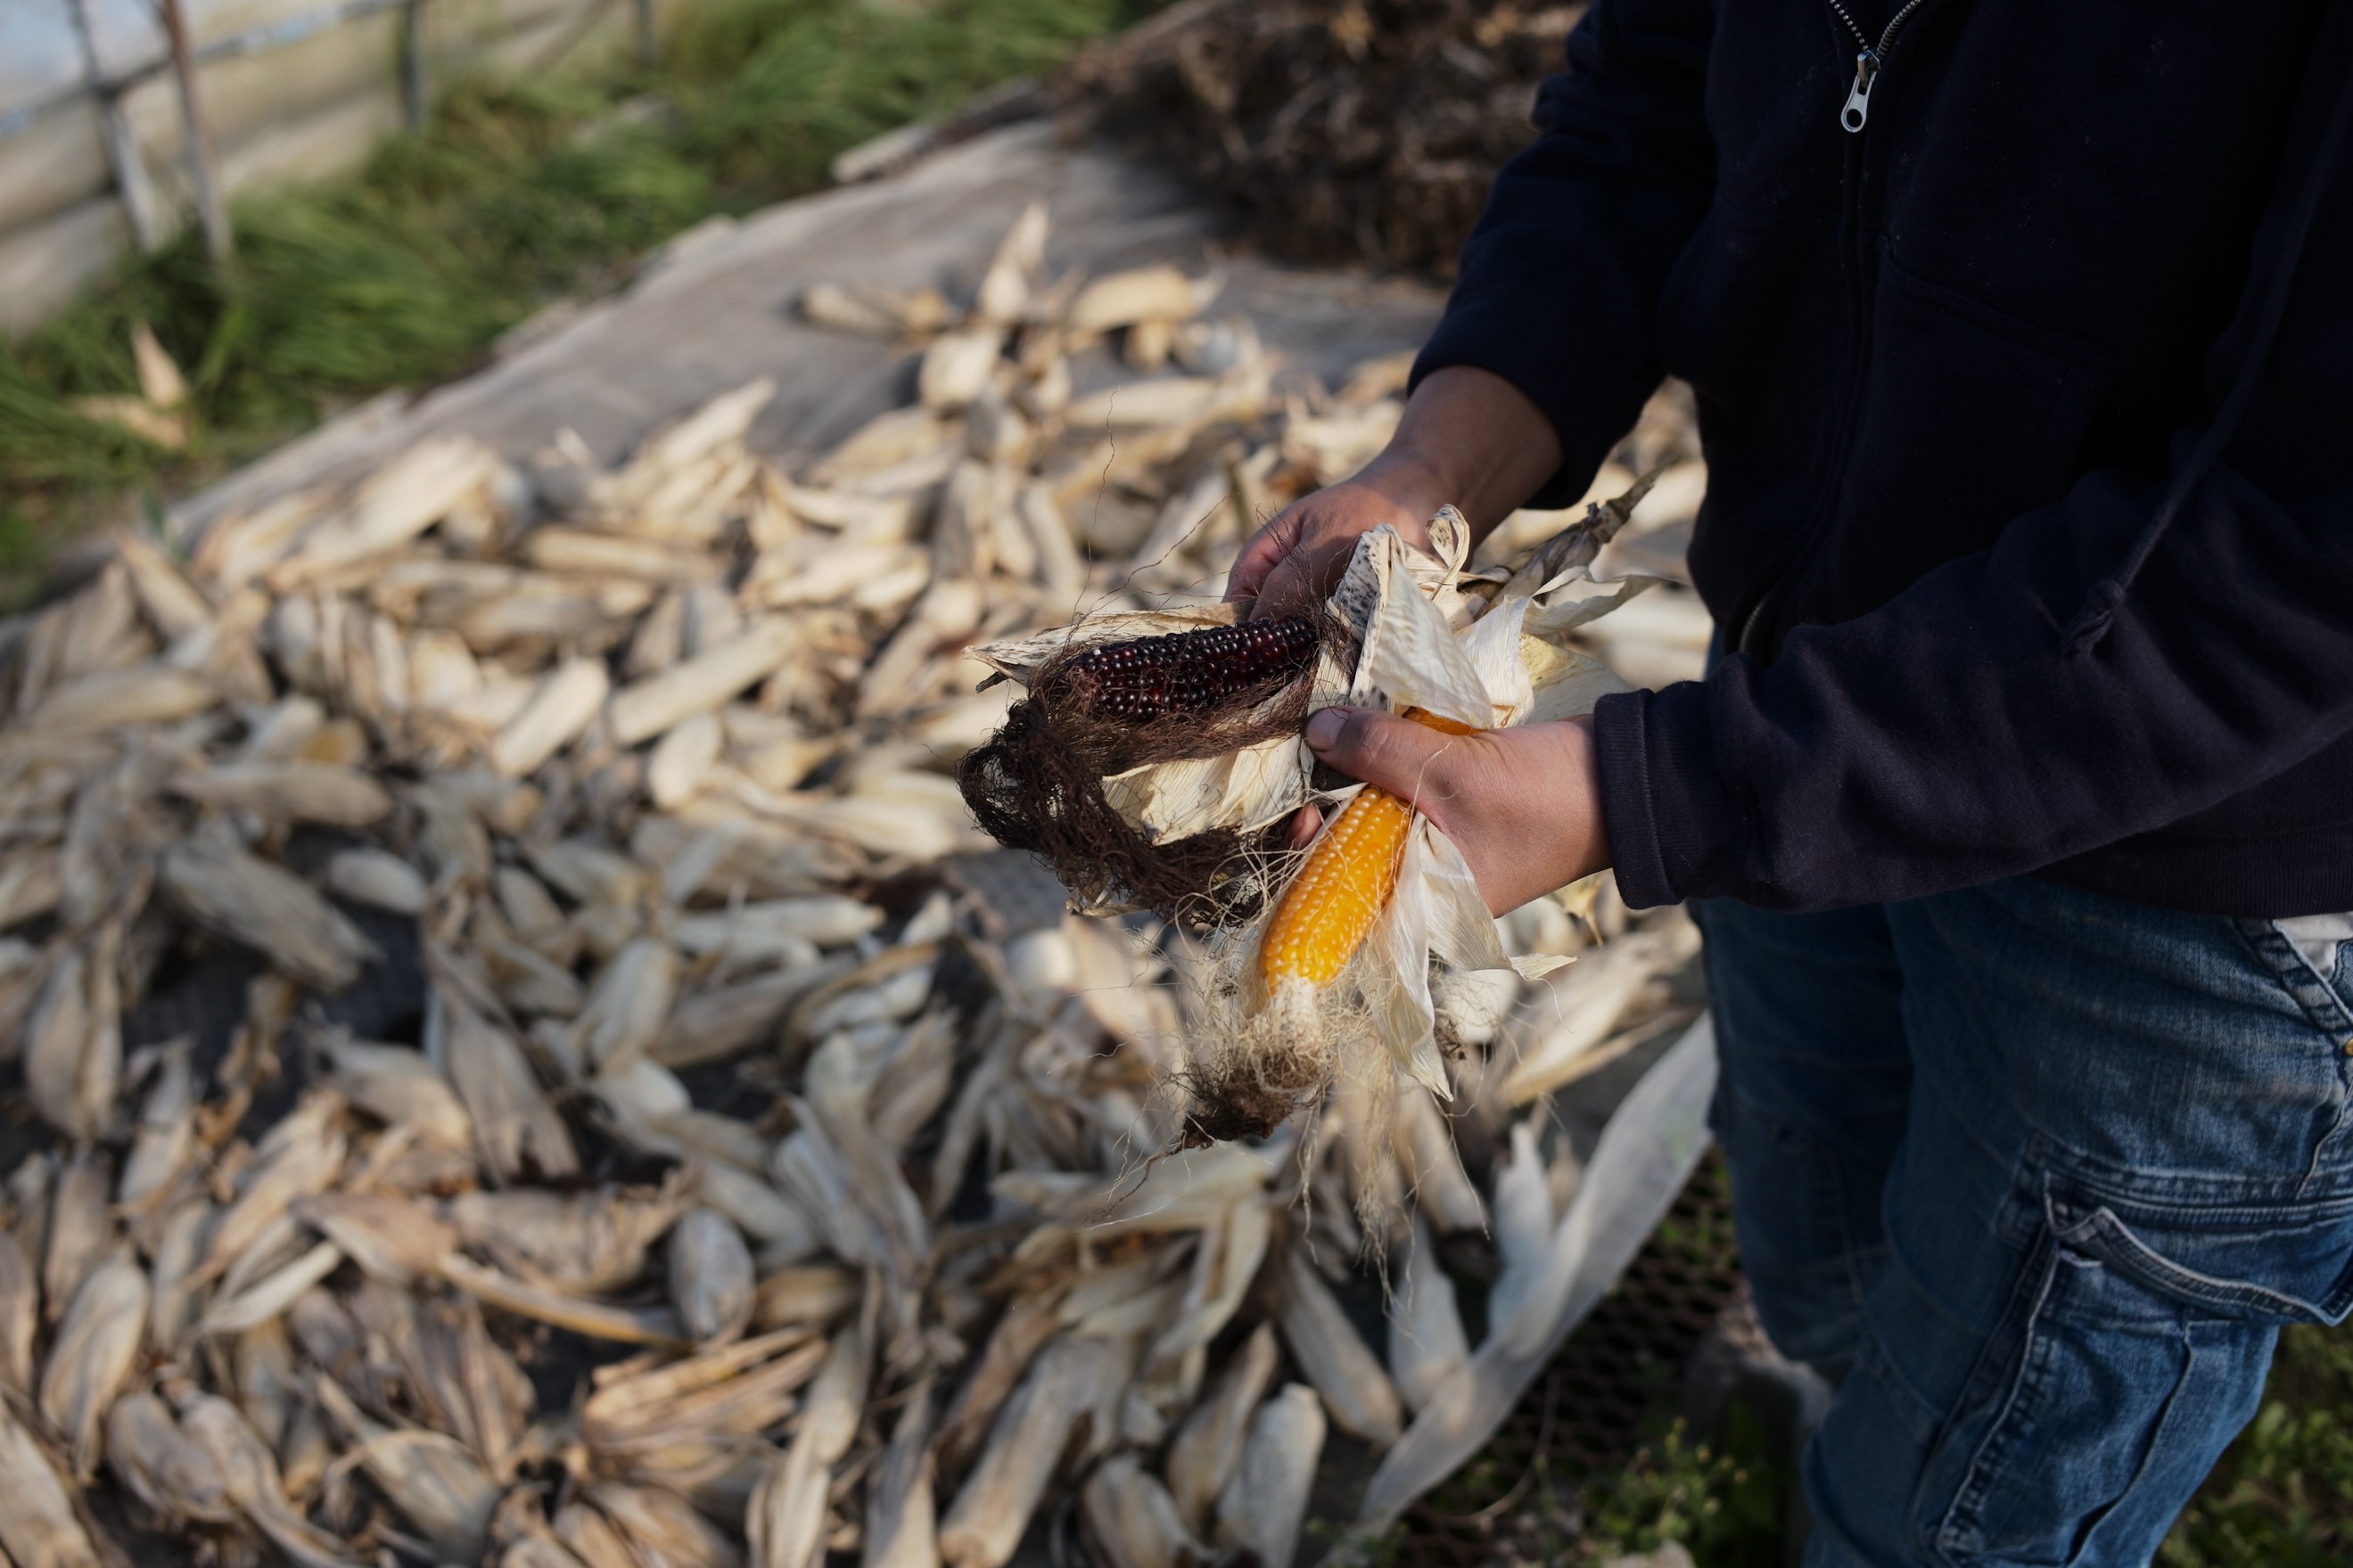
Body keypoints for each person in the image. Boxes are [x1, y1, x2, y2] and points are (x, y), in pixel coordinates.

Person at [1225, 4, 2353, 1563]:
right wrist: (1440, 468)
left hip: (2185, 912)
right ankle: (1850, 1391)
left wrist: (1647, 798)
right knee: (1825, 1249)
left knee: (1957, 1517)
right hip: (1803, 705)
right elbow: (1646, 114)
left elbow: (2298, 552)